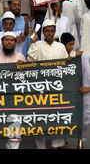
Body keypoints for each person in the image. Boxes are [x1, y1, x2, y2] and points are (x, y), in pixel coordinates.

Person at [27, 19, 69, 149]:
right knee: (40, 118)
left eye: (52, 31)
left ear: (55, 32)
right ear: (43, 32)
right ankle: (41, 146)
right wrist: (33, 43)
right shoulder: (38, 44)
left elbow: (65, 66)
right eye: (47, 31)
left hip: (56, 88)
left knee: (57, 117)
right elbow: (31, 59)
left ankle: (56, 145)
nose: (49, 34)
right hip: (41, 87)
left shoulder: (61, 47)